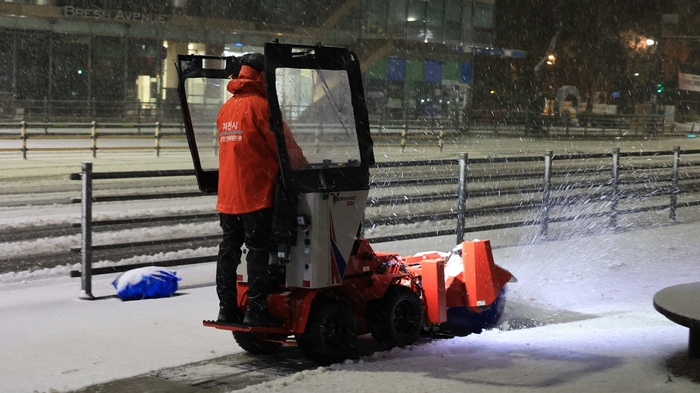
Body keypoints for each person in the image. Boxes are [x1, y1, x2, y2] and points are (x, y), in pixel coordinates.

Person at [215, 53, 306, 327]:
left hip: (228, 196)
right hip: (255, 193)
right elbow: (287, 150)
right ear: (262, 76)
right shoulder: (263, 108)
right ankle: (256, 309)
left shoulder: (227, 109)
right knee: (258, 250)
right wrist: (305, 167)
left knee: (229, 251)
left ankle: (226, 308)